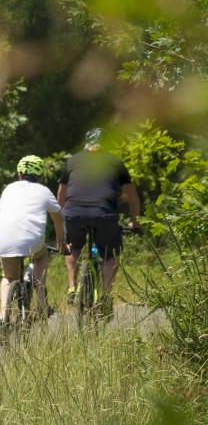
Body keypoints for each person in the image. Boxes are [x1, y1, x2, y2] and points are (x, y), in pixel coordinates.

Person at [57, 128, 140, 305]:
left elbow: (61, 193)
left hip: (74, 214)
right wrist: (135, 222)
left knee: (72, 245)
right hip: (104, 214)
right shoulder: (115, 162)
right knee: (111, 254)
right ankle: (106, 295)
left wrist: (61, 216)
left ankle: (72, 287)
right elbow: (132, 195)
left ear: (86, 143)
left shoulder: (73, 160)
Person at [0, 155, 65, 342]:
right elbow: (58, 219)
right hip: (32, 240)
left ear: (20, 174)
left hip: (4, 236)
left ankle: (2, 316)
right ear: (40, 175)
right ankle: (41, 303)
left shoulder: (9, 188)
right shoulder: (44, 191)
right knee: (40, 257)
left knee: (8, 277)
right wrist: (61, 243)